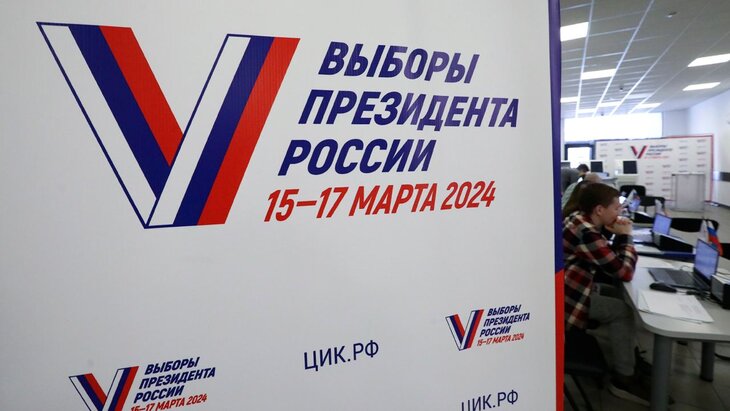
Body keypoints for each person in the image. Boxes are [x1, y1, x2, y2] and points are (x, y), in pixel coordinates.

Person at [563, 183, 651, 405]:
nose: (619, 213)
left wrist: (613, 233)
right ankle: (624, 377)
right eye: (616, 208)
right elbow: (624, 272)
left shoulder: (578, 218)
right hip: (568, 299)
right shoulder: (586, 232)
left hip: (573, 287)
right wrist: (625, 237)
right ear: (600, 210)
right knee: (622, 311)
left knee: (616, 294)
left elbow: (606, 258)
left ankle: (627, 356)